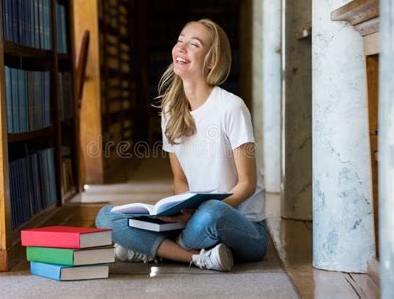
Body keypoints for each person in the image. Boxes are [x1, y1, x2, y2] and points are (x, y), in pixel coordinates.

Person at [96, 18, 267, 272]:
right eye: (180, 41)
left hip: (241, 225)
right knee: (106, 217)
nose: (182, 48)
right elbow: (179, 180)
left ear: (211, 60)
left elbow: (246, 184)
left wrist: (196, 213)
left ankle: (154, 250)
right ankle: (198, 257)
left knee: (212, 212)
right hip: (191, 220)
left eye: (194, 44)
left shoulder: (231, 107)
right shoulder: (169, 110)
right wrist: (177, 211)